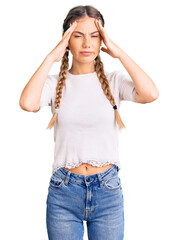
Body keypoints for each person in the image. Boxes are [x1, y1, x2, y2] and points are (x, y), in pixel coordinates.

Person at [19, 5, 159, 240]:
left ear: (102, 39)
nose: (87, 44)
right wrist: (51, 57)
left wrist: (119, 52)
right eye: (78, 36)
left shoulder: (114, 81)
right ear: (66, 40)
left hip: (107, 191)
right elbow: (28, 103)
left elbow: (150, 94)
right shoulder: (55, 84)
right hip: (64, 191)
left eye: (94, 36)